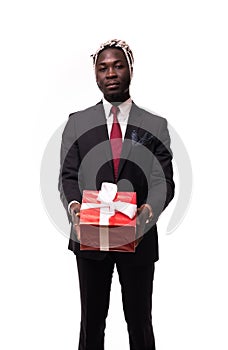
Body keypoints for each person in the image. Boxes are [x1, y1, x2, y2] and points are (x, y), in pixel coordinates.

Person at [58, 39, 175, 350]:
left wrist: (148, 211)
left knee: (139, 322)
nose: (111, 73)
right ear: (95, 75)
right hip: (90, 237)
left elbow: (163, 181)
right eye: (103, 67)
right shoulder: (77, 123)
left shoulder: (154, 125)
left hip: (138, 238)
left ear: (130, 70)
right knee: (92, 323)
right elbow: (68, 177)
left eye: (118, 65)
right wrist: (74, 207)